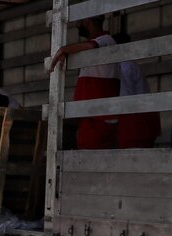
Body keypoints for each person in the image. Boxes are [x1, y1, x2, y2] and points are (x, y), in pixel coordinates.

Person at [49, 15, 120, 149]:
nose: (77, 25)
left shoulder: (106, 40)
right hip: (92, 116)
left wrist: (64, 49)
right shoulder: (95, 45)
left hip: (99, 117)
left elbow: (91, 45)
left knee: (90, 160)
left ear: (87, 21)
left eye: (79, 21)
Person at [112, 32, 161, 148]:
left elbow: (125, 99)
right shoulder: (132, 64)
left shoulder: (123, 67)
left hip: (135, 125)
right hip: (144, 122)